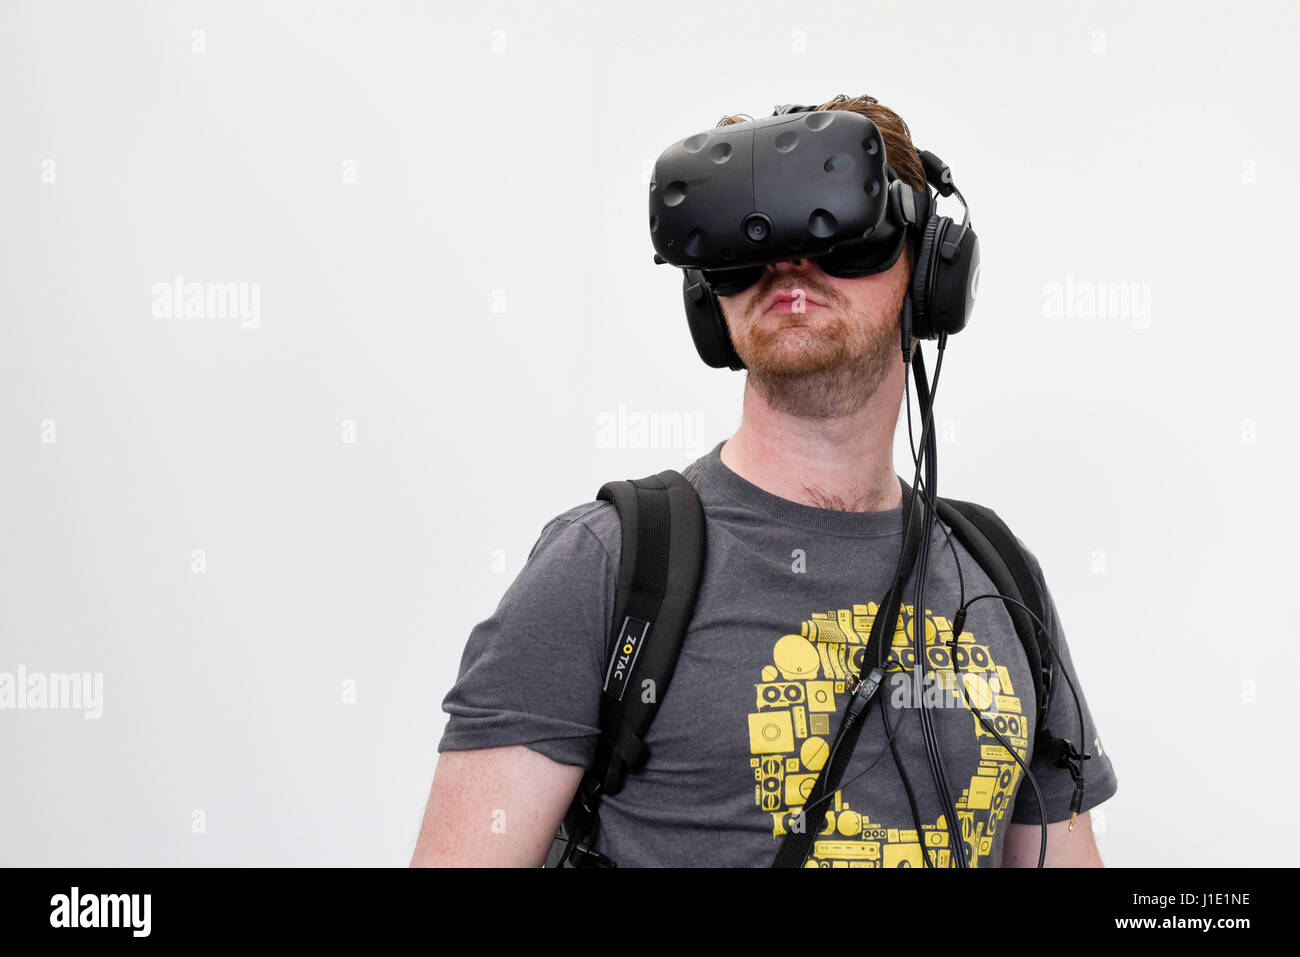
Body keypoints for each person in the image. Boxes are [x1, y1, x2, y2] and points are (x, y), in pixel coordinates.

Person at [410, 94, 1118, 868]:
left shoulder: (1000, 578)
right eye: (749, 242)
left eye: (839, 227)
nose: (790, 265)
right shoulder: (609, 566)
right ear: (707, 304)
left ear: (931, 274)